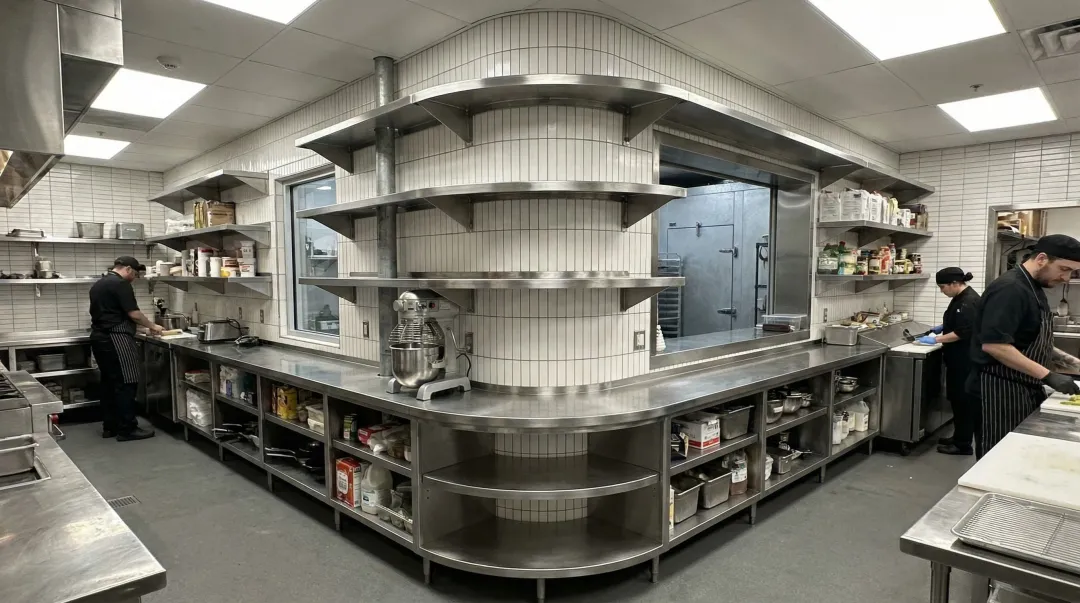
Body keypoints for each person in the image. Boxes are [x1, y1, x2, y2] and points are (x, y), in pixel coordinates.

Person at [969, 235, 1080, 458]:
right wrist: (1048, 375)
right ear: (1041, 259)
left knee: (1015, 454)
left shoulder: (1033, 287)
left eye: (1072, 273)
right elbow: (995, 345)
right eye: (1064, 269)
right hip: (997, 390)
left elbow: (1028, 339)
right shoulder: (1010, 289)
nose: (1066, 278)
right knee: (997, 456)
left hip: (1020, 386)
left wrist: (1072, 362)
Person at [89, 256, 163, 441]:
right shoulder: (120, 284)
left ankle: (110, 426)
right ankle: (127, 429)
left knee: (109, 383)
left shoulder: (100, 283)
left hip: (100, 338)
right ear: (128, 269)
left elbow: (112, 313)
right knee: (127, 382)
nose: (135, 278)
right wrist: (153, 326)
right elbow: (134, 314)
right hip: (116, 338)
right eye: (136, 274)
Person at [917, 268, 981, 455]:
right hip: (958, 360)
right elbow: (958, 323)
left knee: (963, 401)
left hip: (965, 360)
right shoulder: (961, 298)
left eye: (942, 287)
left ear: (955, 284)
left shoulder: (968, 301)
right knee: (956, 400)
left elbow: (964, 332)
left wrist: (935, 339)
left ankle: (963, 444)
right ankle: (959, 436)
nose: (941, 291)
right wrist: (942, 328)